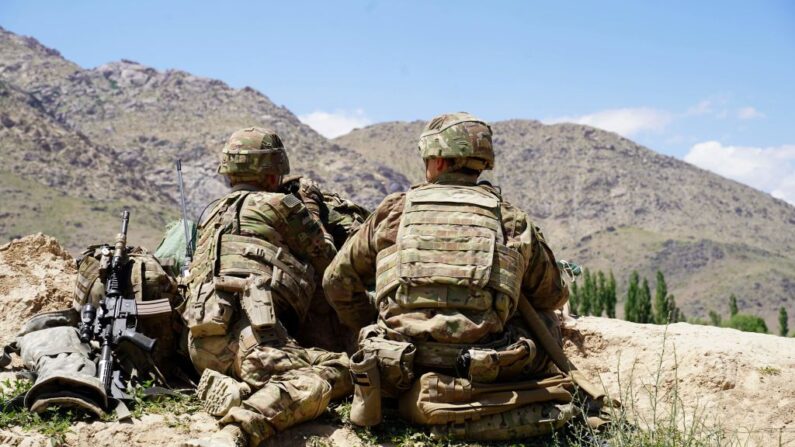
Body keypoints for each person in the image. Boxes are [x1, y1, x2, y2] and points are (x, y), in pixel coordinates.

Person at [323, 112, 575, 440]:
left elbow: (336, 282)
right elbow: (551, 297)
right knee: (546, 321)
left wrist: (371, 320)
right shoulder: (510, 219)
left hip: (397, 364)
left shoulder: (394, 212)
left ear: (439, 162)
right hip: (486, 365)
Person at [179, 127, 352, 447]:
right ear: (274, 174)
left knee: (312, 361)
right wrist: (310, 206)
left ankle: (241, 388)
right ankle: (239, 430)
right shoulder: (281, 205)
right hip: (254, 342)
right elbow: (328, 260)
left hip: (201, 346)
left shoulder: (211, 213)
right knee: (331, 374)